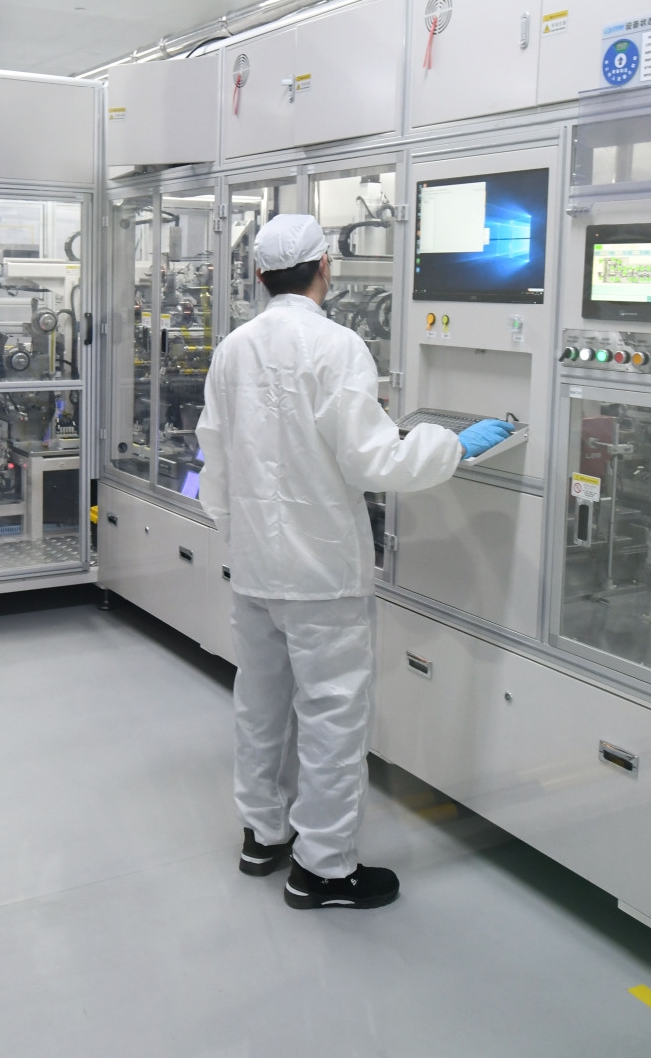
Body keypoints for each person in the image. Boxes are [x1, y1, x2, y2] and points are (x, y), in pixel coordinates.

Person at [196, 213, 512, 910]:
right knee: (332, 718)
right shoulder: (338, 347)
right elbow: (375, 461)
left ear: (258, 275)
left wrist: (239, 534)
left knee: (259, 705)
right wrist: (453, 446)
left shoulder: (233, 348)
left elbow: (213, 453)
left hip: (254, 568)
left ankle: (263, 835)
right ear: (325, 268)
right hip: (321, 575)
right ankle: (324, 869)